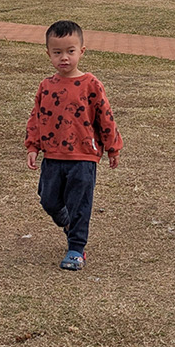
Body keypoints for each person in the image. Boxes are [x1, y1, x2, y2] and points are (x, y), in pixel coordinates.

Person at [25, 20, 122, 271]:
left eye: (70, 51)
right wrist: (33, 146)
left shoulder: (91, 84)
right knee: (48, 200)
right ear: (48, 54)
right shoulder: (46, 86)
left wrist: (113, 147)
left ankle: (76, 248)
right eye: (57, 53)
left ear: (82, 51)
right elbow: (36, 117)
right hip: (53, 155)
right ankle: (66, 222)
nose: (64, 58)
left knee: (80, 203)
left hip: (83, 156)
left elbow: (105, 116)